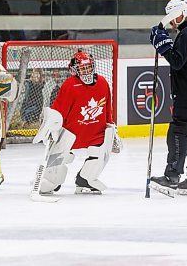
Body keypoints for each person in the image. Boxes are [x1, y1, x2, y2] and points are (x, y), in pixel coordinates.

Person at [33, 50, 121, 195]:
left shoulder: (103, 83)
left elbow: (107, 110)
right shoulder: (70, 85)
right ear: (75, 70)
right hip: (71, 134)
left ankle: (85, 180)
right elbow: (58, 111)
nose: (86, 72)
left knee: (102, 152)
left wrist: (112, 129)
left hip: (95, 134)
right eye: (82, 69)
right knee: (53, 173)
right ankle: (49, 181)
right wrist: (52, 128)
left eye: (89, 67)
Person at [148, 0, 187, 197]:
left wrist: (163, 45)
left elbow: (177, 61)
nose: (171, 20)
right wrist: (164, 42)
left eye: (172, 16)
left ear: (182, 13)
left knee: (178, 132)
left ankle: (172, 176)